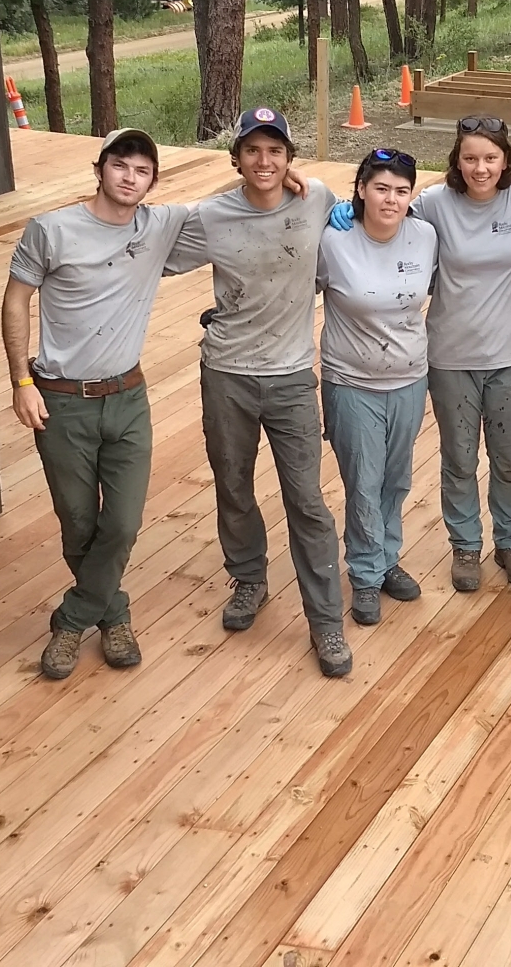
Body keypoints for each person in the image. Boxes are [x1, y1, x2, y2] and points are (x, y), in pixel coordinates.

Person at [164, 107, 353, 678]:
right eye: (253, 151)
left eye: (275, 151)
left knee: (306, 499)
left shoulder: (315, 198)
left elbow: (366, 212)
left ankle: (325, 620)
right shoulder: (212, 215)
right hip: (226, 372)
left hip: (293, 374)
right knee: (233, 482)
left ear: (290, 158)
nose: (264, 161)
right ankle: (248, 578)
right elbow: (155, 255)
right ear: (237, 158)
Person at [4, 128, 189, 680]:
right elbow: (16, 301)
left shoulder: (157, 226)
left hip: (128, 396)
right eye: (121, 166)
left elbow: (238, 200)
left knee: (125, 521)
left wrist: (295, 181)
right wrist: (20, 382)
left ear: (152, 181)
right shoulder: (51, 229)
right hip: (61, 401)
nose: (130, 178)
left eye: (142, 171)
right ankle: (112, 616)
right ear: (99, 168)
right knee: (78, 520)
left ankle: (71, 620)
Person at [407, 116, 511, 593]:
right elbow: (386, 220)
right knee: (459, 457)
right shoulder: (433, 204)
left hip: (510, 353)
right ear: (456, 160)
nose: (480, 167)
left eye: (490, 157)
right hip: (449, 355)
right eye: (470, 158)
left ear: (506, 160)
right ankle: (465, 544)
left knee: (509, 457)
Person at [316, 149, 436, 626]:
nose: (391, 199)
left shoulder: (425, 235)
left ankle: (387, 559)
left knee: (396, 478)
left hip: (409, 377)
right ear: (361, 189)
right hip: (351, 381)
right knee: (363, 482)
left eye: (402, 190)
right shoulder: (334, 239)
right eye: (380, 188)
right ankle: (365, 576)